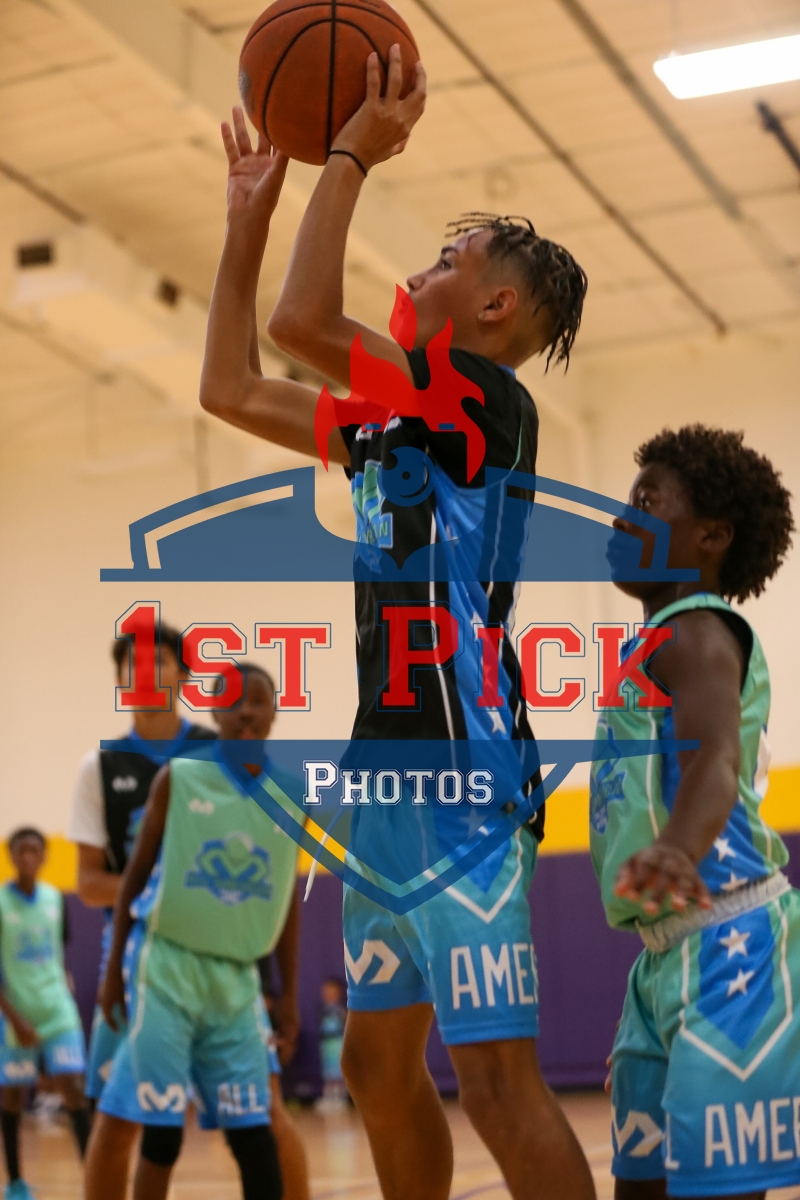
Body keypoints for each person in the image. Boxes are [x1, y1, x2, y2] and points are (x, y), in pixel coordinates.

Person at [199, 46, 593, 1200]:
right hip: (386, 768)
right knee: (373, 1065)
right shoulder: (390, 424)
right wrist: (242, 224)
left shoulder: (482, 401)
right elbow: (230, 388)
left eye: (448, 260)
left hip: (464, 770)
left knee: (495, 1079)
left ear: (493, 307)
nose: (421, 269)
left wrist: (350, 157)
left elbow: (302, 320)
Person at [590, 425, 798, 1200]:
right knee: (639, 1186)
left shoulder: (699, 630)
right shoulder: (653, 643)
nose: (622, 516)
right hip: (662, 961)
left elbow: (716, 756)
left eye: (647, 501)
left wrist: (678, 846)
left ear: (710, 535)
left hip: (731, 945)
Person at [96, 663, 307, 1200]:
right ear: (214, 711)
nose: (246, 712)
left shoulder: (292, 795)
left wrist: (288, 995)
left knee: (254, 1134)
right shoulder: (180, 777)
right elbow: (133, 878)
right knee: (161, 1132)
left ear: (275, 712)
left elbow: (285, 903)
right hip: (165, 966)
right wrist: (114, 971)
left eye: (258, 701)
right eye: (234, 701)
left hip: (237, 979)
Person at [69, 625, 216, 1195]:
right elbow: (87, 883)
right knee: (117, 1118)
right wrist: (162, 894)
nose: (147, 673)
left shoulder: (216, 752)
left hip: (216, 952)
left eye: (160, 661)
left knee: (264, 1113)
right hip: (134, 956)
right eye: (134, 664)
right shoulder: (100, 767)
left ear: (183, 674)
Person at [0, 828, 90, 1200]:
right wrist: (15, 1019)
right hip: (17, 1015)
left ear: (44, 856)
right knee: (13, 1097)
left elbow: (58, 952)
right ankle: (16, 1183)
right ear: (10, 855)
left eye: (34, 850)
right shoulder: (1, 902)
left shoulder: (56, 898)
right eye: (20, 850)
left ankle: (94, 1178)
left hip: (58, 1012)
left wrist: (63, 984)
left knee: (75, 1089)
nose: (27, 856)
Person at [318, 978, 347, 1109]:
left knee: (338, 1071)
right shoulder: (323, 1010)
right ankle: (329, 1098)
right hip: (326, 1045)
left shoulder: (341, 1010)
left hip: (337, 1044)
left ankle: (340, 1097)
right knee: (328, 1072)